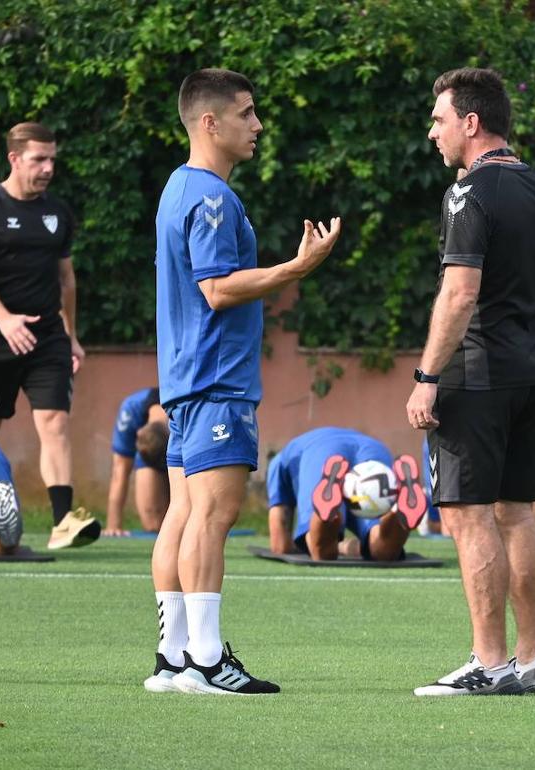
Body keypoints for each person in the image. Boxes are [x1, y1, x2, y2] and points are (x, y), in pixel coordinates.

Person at [145, 68, 341, 697]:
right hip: (215, 380)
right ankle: (204, 659)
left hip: (184, 380)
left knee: (184, 514)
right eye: (248, 113)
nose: (257, 125)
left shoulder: (178, 187)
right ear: (211, 123)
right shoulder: (209, 198)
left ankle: (173, 658)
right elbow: (217, 289)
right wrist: (298, 267)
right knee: (214, 514)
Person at [405, 68, 535, 696]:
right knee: (518, 514)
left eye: (439, 119)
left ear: (471, 123)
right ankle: (532, 661)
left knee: (470, 519)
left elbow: (461, 292)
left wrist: (426, 376)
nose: (433, 132)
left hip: (479, 373)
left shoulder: (468, 193)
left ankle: (489, 663)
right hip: (531, 370)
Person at [0, 121, 98, 550]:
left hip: (48, 337)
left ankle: (63, 522)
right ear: (14, 159)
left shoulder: (58, 214)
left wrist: (71, 335)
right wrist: (4, 321)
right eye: (39, 159)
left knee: (55, 422)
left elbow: (67, 281)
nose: (49, 167)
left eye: (52, 158)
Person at [266, 427, 428, 561]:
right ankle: (398, 511)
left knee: (321, 553)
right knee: (383, 553)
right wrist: (349, 547)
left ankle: (329, 516)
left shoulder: (278, 462)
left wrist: (335, 547)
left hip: (321, 451)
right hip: (374, 449)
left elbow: (280, 545)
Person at [105, 387, 169, 536]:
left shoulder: (185, 411)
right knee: (153, 523)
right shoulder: (131, 410)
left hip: (184, 456)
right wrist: (113, 525)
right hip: (152, 452)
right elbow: (119, 470)